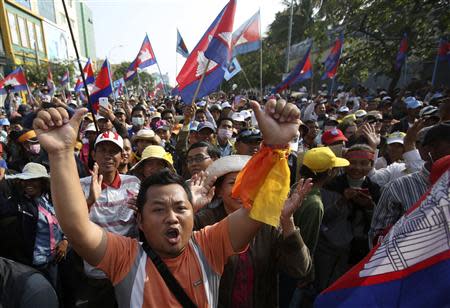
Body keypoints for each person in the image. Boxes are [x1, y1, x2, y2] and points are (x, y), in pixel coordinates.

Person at [32, 98, 301, 307]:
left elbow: (258, 209)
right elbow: (76, 227)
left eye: (180, 208)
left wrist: (277, 148)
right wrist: (61, 153)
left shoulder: (210, 246)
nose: (172, 217)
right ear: (140, 221)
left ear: (193, 213)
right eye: (158, 209)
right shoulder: (125, 257)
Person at [194, 155, 313, 307]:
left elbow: (300, 269)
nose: (240, 189)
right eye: (232, 183)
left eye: (248, 182)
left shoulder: (267, 222)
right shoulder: (203, 222)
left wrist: (287, 220)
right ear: (218, 191)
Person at [369, 122, 450, 245]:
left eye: (399, 145)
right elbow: (377, 238)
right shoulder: (397, 188)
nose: (395, 149)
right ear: (429, 150)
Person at [314, 145, 380, 292]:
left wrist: (369, 207)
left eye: (363, 163)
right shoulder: (331, 185)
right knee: (325, 288)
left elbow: (379, 223)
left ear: (371, 165)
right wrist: (342, 201)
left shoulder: (375, 188)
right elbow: (321, 218)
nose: (357, 167)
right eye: (353, 162)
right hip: (329, 250)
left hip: (360, 250)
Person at [2, 163, 67, 290]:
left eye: (33, 179)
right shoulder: (19, 203)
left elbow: (66, 220)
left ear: (43, 182)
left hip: (54, 261)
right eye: (25, 180)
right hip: (32, 264)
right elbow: (3, 209)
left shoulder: (53, 199)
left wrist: (65, 240)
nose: (28, 184)